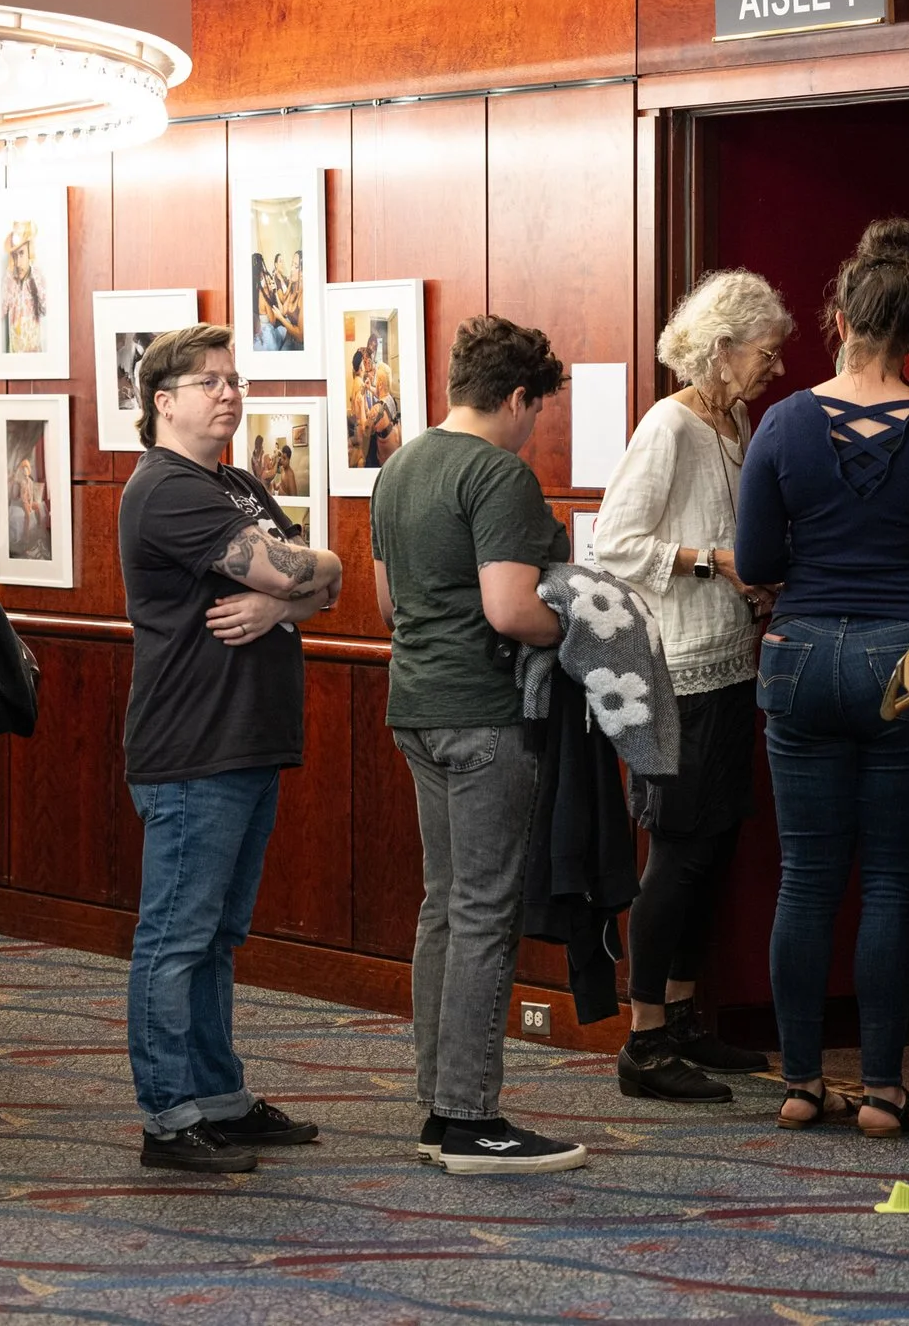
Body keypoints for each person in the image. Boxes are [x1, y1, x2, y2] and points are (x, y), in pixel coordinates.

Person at [118, 325, 341, 1173]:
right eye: (208, 382)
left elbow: (328, 577)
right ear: (163, 402)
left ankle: (219, 1097)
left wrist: (282, 604)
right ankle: (168, 1117)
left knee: (216, 936)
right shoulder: (167, 490)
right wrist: (292, 583)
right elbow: (295, 569)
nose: (228, 393)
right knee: (176, 936)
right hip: (192, 747)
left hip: (246, 741)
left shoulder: (239, 484)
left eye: (234, 379)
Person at [371, 314, 582, 1174]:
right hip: (485, 712)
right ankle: (468, 1117)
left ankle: (437, 1105)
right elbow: (510, 610)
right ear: (520, 396)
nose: (536, 427)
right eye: (538, 410)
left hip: (415, 706)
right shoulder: (499, 474)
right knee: (486, 912)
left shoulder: (401, 465)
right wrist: (571, 619)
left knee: (444, 904)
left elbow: (388, 607)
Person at [735, 218, 909, 1140]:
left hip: (801, 653)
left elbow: (759, 556)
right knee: (891, 879)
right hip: (903, 655)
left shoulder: (782, 423)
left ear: (839, 315)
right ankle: (885, 1090)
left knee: (806, 878)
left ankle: (803, 1082)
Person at [593, 270, 793, 1103]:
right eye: (765, 352)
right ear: (721, 350)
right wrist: (715, 561)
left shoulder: (734, 419)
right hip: (673, 672)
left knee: (711, 845)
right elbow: (613, 541)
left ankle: (680, 1019)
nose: (775, 367)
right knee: (675, 852)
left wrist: (751, 580)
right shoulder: (668, 425)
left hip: (728, 664)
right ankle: (641, 1042)